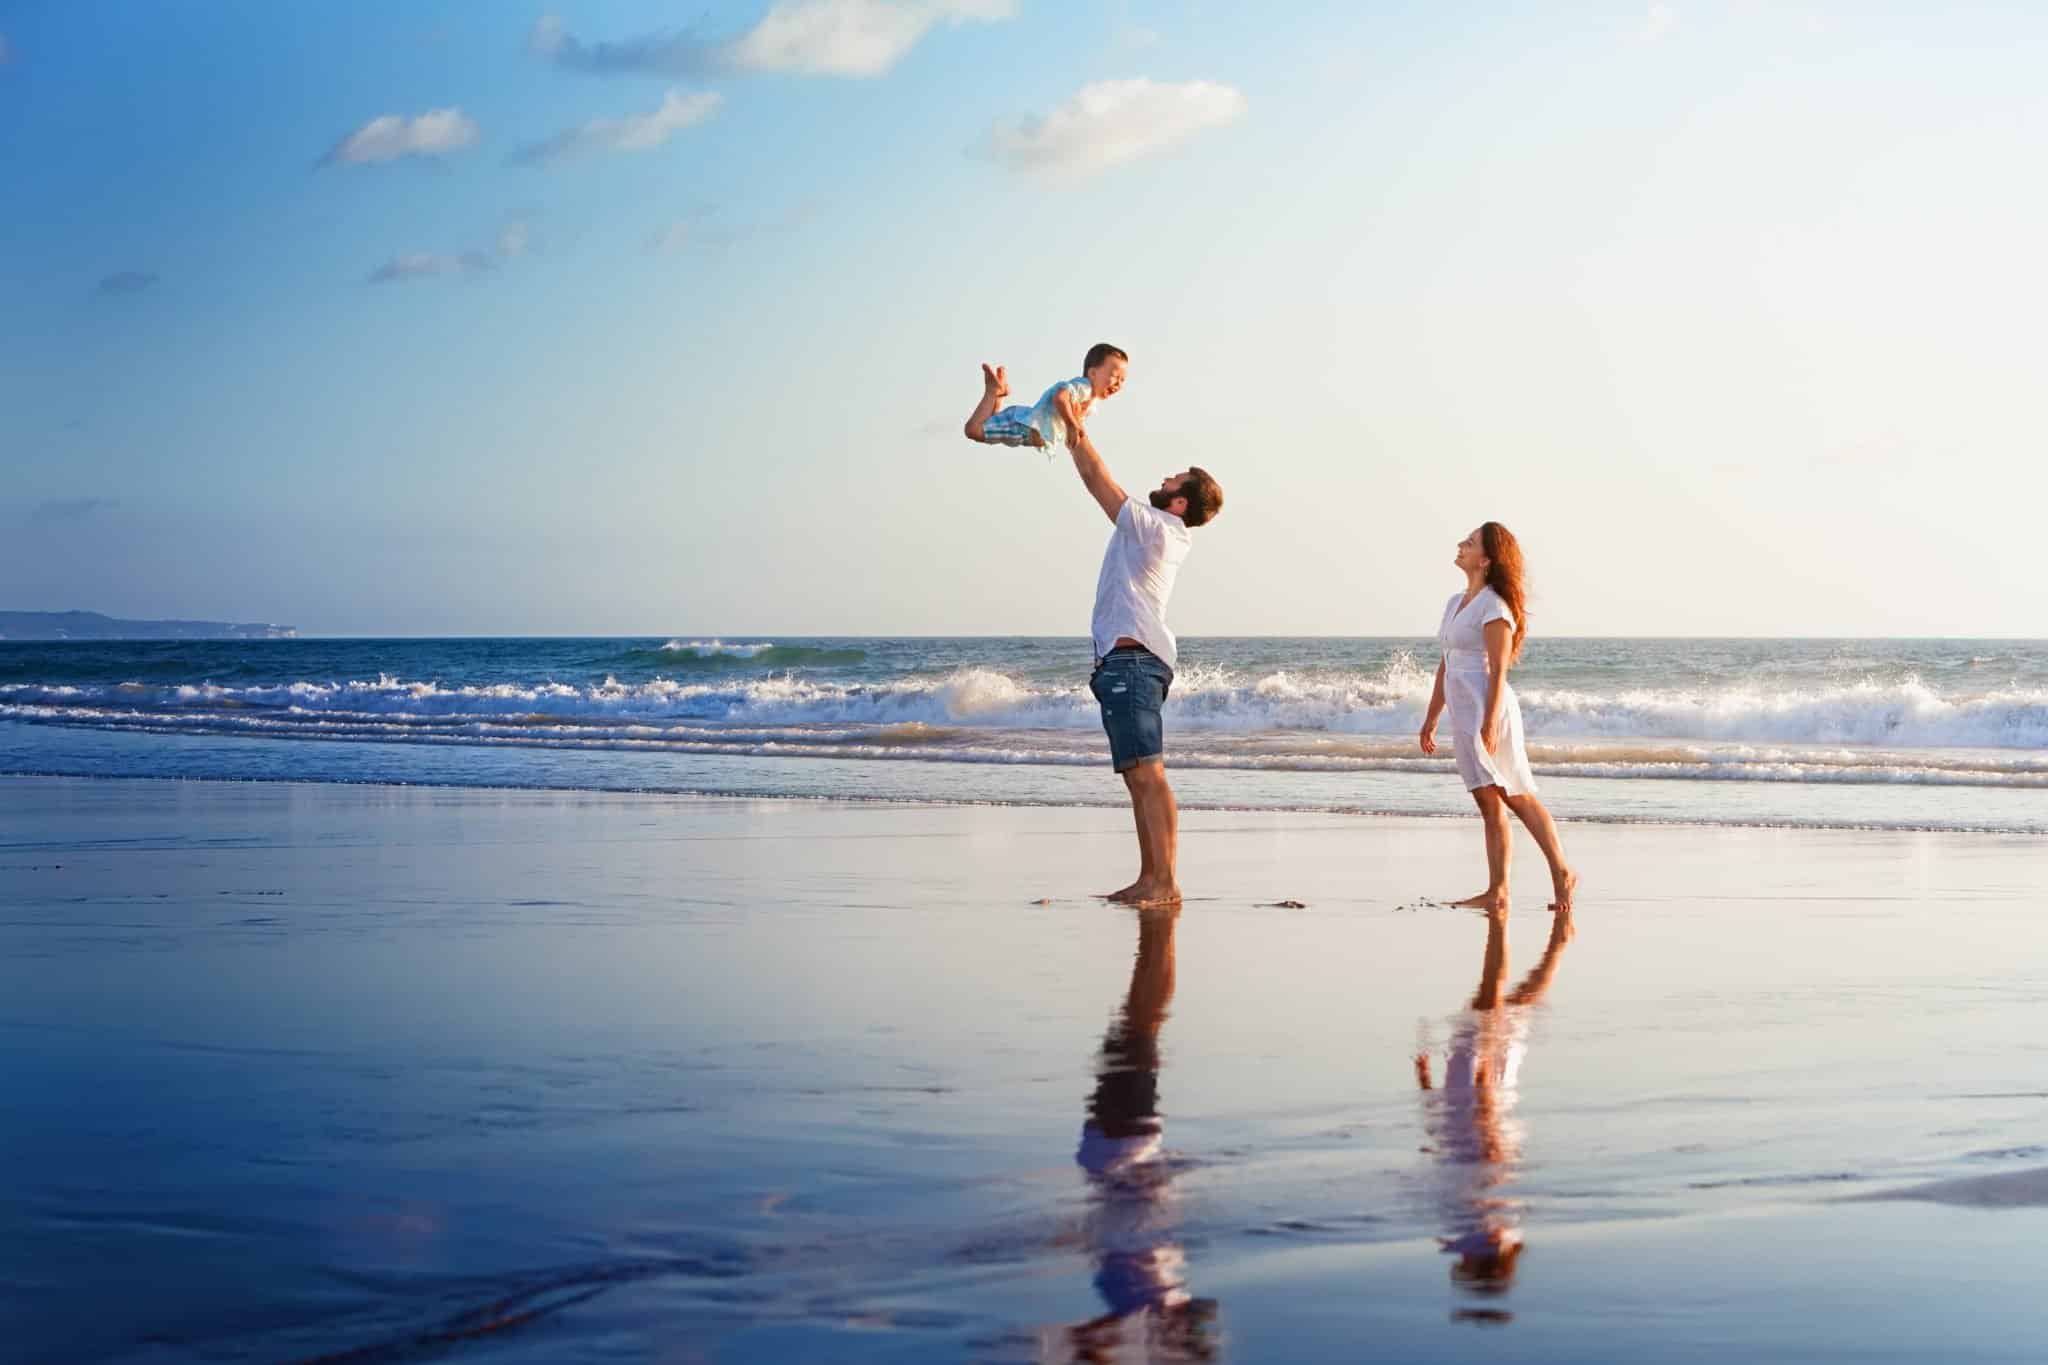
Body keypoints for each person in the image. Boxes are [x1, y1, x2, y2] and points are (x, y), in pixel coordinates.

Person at [1034, 404, 1222, 906]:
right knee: (1137, 776)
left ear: (1180, 502)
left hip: (1134, 661)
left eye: (1174, 479)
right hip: (1125, 663)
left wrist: (1074, 427)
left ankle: (1164, 882)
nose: (1164, 478)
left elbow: (1099, 480)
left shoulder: (1158, 527)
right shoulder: (1153, 529)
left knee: (1148, 773)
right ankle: (1150, 878)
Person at [1065, 908, 1219, 1361]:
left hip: (1116, 1145)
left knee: (1135, 1030)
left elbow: (1095, 1340)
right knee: (1137, 1029)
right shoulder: (1157, 1301)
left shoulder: (1153, 1302)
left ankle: (1159, 945)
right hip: (1121, 1145)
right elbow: (1096, 1340)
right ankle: (1159, 944)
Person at [1415, 905, 1574, 1308]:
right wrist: (1483, 1077)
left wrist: (1427, 1084)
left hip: (1469, 1097)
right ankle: (1547, 945)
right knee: (1495, 1006)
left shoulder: (1492, 1226)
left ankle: (1552, 947)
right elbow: (1490, 1148)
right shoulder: (1490, 1223)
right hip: (1481, 1095)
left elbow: (1444, 1141)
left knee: (1503, 1006)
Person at [1419, 523, 1578, 913]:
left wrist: (1489, 723)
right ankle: (1499, 890)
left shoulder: (1495, 606)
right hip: (1463, 710)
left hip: (1489, 709)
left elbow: (1499, 670)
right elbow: (1446, 664)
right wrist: (1431, 718)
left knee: (1515, 794)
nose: (1461, 545)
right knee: (1487, 801)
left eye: (1469, 543)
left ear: (1486, 560)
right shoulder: (1455, 602)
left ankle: (1561, 873)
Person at [963, 343, 1128, 454]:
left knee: (986, 426)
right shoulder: (1084, 387)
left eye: (1122, 380)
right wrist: (1072, 424)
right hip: (1022, 425)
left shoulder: (1092, 401)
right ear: (1093, 373)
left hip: (1025, 429)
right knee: (974, 430)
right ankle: (992, 392)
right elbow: (1060, 397)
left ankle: (998, 394)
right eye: (1114, 376)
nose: (1118, 384)